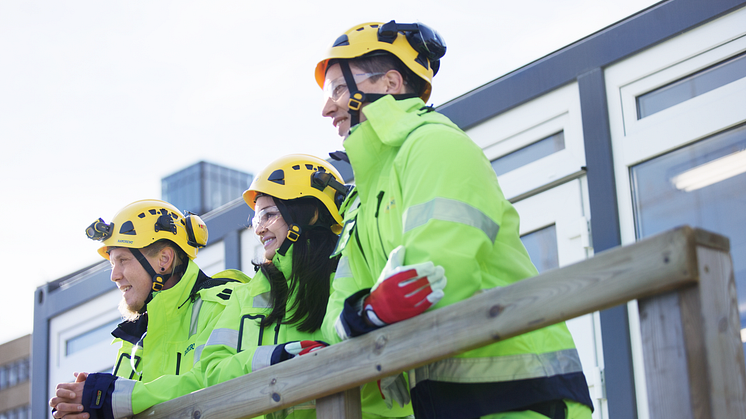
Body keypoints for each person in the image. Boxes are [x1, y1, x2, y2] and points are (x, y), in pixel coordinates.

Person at [316, 21, 594, 419]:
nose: (327, 108)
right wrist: (367, 313)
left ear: (391, 82)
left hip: (526, 396)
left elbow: (438, 277)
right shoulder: (361, 200)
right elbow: (338, 316)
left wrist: (367, 316)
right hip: (445, 402)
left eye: (339, 89)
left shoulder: (435, 145)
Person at [49, 199, 250, 419]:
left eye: (123, 260)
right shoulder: (133, 339)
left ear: (164, 259)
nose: (114, 275)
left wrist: (114, 396)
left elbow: (215, 384)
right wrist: (92, 408)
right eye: (112, 264)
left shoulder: (226, 302)